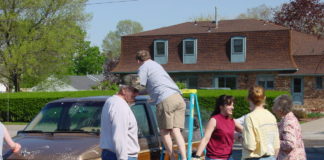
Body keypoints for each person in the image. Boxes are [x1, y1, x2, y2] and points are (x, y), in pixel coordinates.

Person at [135, 50, 187, 160]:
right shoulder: (156, 65)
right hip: (178, 97)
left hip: (166, 99)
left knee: (164, 131)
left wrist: (131, 92)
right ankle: (185, 158)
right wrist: (152, 97)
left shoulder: (143, 67)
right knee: (176, 130)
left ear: (138, 61)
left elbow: (139, 87)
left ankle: (172, 157)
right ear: (149, 57)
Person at [193, 95, 243, 160]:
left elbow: (246, 131)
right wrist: (197, 156)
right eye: (229, 105)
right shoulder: (214, 120)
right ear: (221, 107)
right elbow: (205, 139)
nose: (232, 107)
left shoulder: (232, 121)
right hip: (214, 158)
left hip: (229, 157)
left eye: (232, 105)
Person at [99, 84, 140, 160]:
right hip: (122, 156)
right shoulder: (119, 106)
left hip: (113, 154)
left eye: (137, 91)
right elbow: (119, 136)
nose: (136, 94)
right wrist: (122, 158)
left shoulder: (111, 101)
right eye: (134, 91)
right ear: (124, 90)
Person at [242, 85, 280, 160]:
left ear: (249, 99)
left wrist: (241, 139)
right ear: (264, 98)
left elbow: (250, 146)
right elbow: (276, 145)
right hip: (271, 157)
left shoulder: (250, 117)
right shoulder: (271, 116)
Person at [272, 95, 306, 160]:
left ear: (280, 109)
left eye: (274, 106)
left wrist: (274, 141)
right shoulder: (289, 118)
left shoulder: (288, 122)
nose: (272, 108)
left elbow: (290, 144)